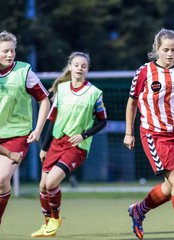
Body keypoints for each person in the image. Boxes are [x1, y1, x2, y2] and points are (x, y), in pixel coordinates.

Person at [123, 28, 174, 240]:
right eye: (165, 49)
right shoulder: (144, 72)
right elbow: (132, 104)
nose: (169, 54)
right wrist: (128, 132)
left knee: (170, 188)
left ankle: (139, 210)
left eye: (173, 50)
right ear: (156, 50)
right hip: (154, 134)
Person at [31, 52, 107, 237]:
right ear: (70, 67)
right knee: (42, 186)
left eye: (84, 65)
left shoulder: (95, 93)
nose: (80, 68)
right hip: (57, 142)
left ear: (88, 69)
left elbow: (103, 121)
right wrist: (44, 147)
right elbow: (52, 120)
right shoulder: (62, 89)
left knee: (51, 183)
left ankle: (55, 218)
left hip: (77, 146)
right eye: (77, 65)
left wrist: (84, 135)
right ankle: (48, 224)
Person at [0, 30, 50, 225]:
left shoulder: (23, 72)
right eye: (5, 51)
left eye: (12, 51)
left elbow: (45, 99)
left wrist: (37, 130)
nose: (10, 55)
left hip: (16, 135)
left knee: (2, 178)